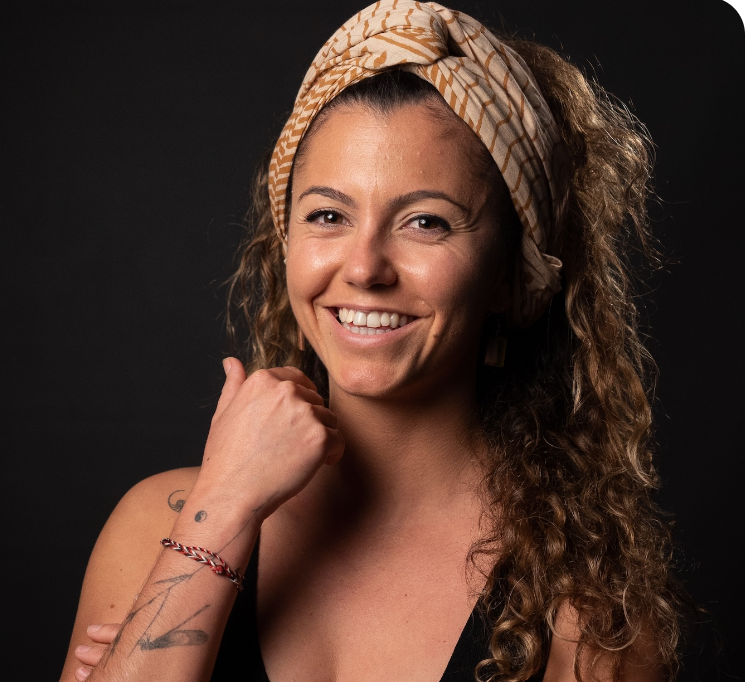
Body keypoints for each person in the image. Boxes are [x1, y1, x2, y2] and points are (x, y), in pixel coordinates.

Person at [59, 1, 686, 680]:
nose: (363, 269)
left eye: (425, 222)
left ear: (512, 275)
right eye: (328, 215)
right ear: (286, 241)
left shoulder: (584, 611)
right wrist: (223, 510)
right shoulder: (160, 524)